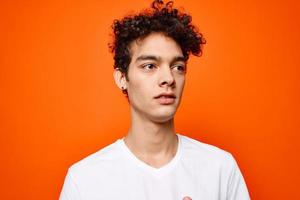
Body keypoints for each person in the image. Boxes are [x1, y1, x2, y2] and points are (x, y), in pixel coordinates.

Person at [59, 0, 250, 199]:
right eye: (150, 66)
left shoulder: (220, 168)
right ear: (122, 78)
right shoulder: (84, 180)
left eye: (178, 67)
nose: (168, 78)